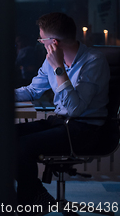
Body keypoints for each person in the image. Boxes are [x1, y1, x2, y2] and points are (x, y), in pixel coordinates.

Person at [15, 12, 110, 215]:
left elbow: (76, 109)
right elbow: (32, 90)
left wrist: (59, 68)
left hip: (84, 129)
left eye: (42, 39)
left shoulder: (93, 61)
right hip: (59, 122)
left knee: (22, 146)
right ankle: (36, 194)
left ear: (53, 43)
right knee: (2, 136)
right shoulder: (49, 62)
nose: (40, 43)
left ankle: (27, 202)